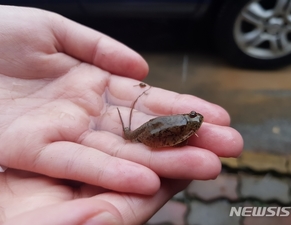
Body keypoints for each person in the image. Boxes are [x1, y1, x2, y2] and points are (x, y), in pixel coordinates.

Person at [0, 5, 243, 225]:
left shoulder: (186, 122)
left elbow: (177, 133)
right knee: (138, 137)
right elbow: (176, 137)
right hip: (157, 132)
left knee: (137, 137)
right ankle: (134, 133)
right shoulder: (186, 126)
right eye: (194, 118)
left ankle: (134, 133)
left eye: (194, 118)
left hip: (158, 128)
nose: (197, 119)